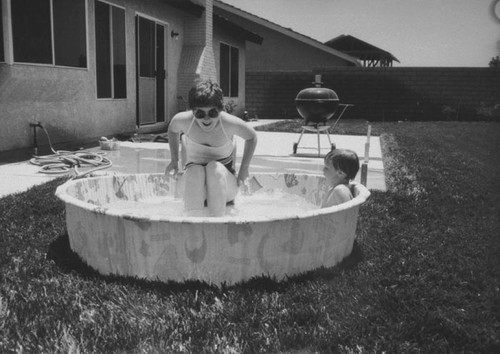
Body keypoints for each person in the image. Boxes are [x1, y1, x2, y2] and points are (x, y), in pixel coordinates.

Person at [165, 79, 258, 216]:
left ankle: (217, 225)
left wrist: (244, 168)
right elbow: (172, 130)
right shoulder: (184, 121)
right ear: (193, 111)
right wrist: (174, 160)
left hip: (224, 187)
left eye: (213, 113)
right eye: (200, 114)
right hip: (193, 186)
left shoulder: (228, 123)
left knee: (214, 168)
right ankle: (193, 226)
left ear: (220, 110)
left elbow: (252, 137)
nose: (206, 119)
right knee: (195, 170)